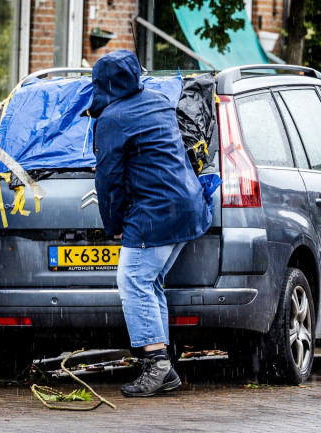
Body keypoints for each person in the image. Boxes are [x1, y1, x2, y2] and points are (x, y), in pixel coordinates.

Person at [89, 50, 212, 397]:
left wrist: (112, 223)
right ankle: (164, 367)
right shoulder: (157, 100)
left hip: (155, 211)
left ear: (103, 83)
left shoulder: (113, 117)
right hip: (187, 205)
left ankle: (156, 364)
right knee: (150, 281)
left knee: (132, 280)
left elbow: (109, 179)